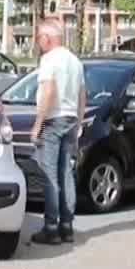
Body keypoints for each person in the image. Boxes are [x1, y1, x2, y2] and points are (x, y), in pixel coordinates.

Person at [28, 17, 85, 245]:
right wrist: (79, 124)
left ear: (48, 38)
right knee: (66, 173)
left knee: (49, 175)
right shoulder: (75, 61)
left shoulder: (49, 59)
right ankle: (67, 226)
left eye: (39, 38)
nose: (38, 42)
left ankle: (50, 228)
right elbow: (82, 96)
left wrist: (38, 123)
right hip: (71, 119)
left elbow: (49, 91)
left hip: (52, 120)